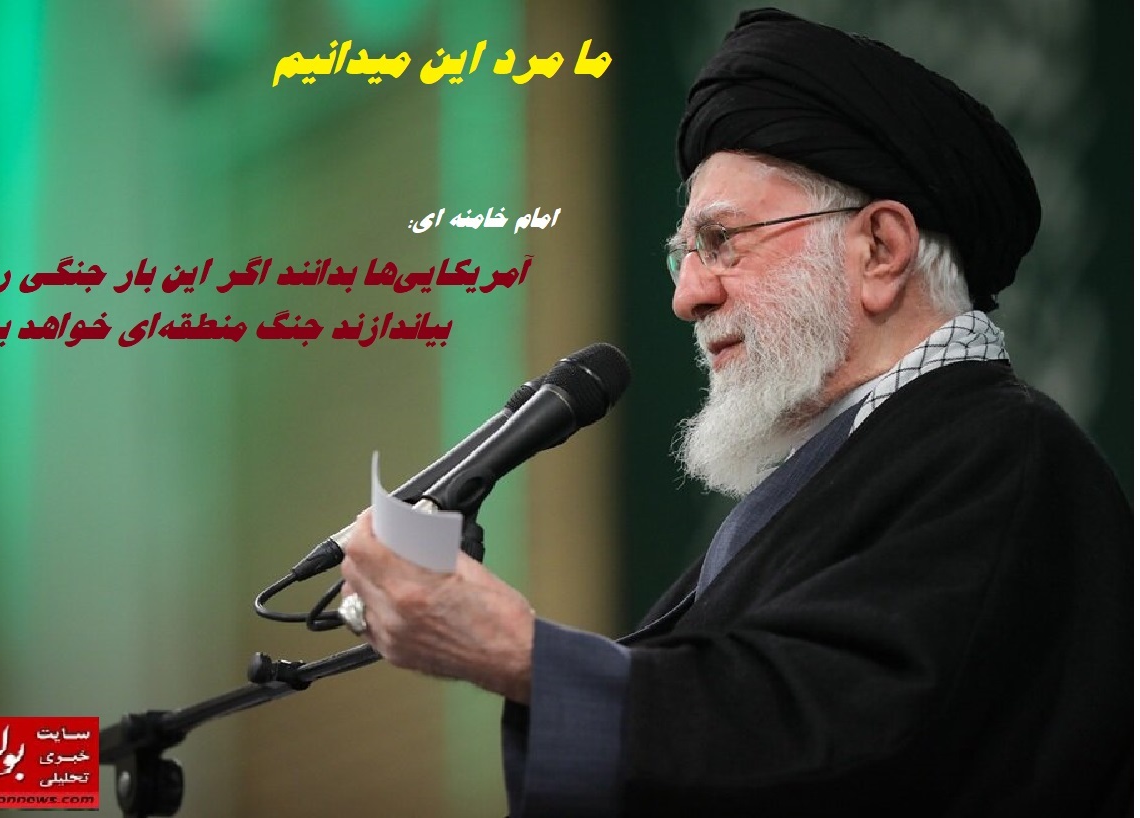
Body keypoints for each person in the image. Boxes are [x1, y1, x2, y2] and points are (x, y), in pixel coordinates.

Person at [338, 8, 1131, 816]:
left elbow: (841, 740)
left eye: (722, 240)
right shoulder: (860, 462)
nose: (688, 295)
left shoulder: (1002, 453)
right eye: (683, 255)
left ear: (879, 250)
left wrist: (523, 654)